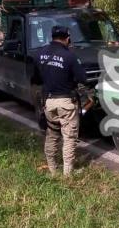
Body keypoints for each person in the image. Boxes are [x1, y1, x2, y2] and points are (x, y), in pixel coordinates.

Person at [36, 25, 87, 176]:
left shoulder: (40, 53)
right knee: (69, 137)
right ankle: (68, 174)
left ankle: (53, 170)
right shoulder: (70, 56)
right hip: (66, 103)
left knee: (52, 135)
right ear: (68, 38)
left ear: (52, 37)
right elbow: (82, 78)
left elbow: (36, 78)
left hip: (49, 102)